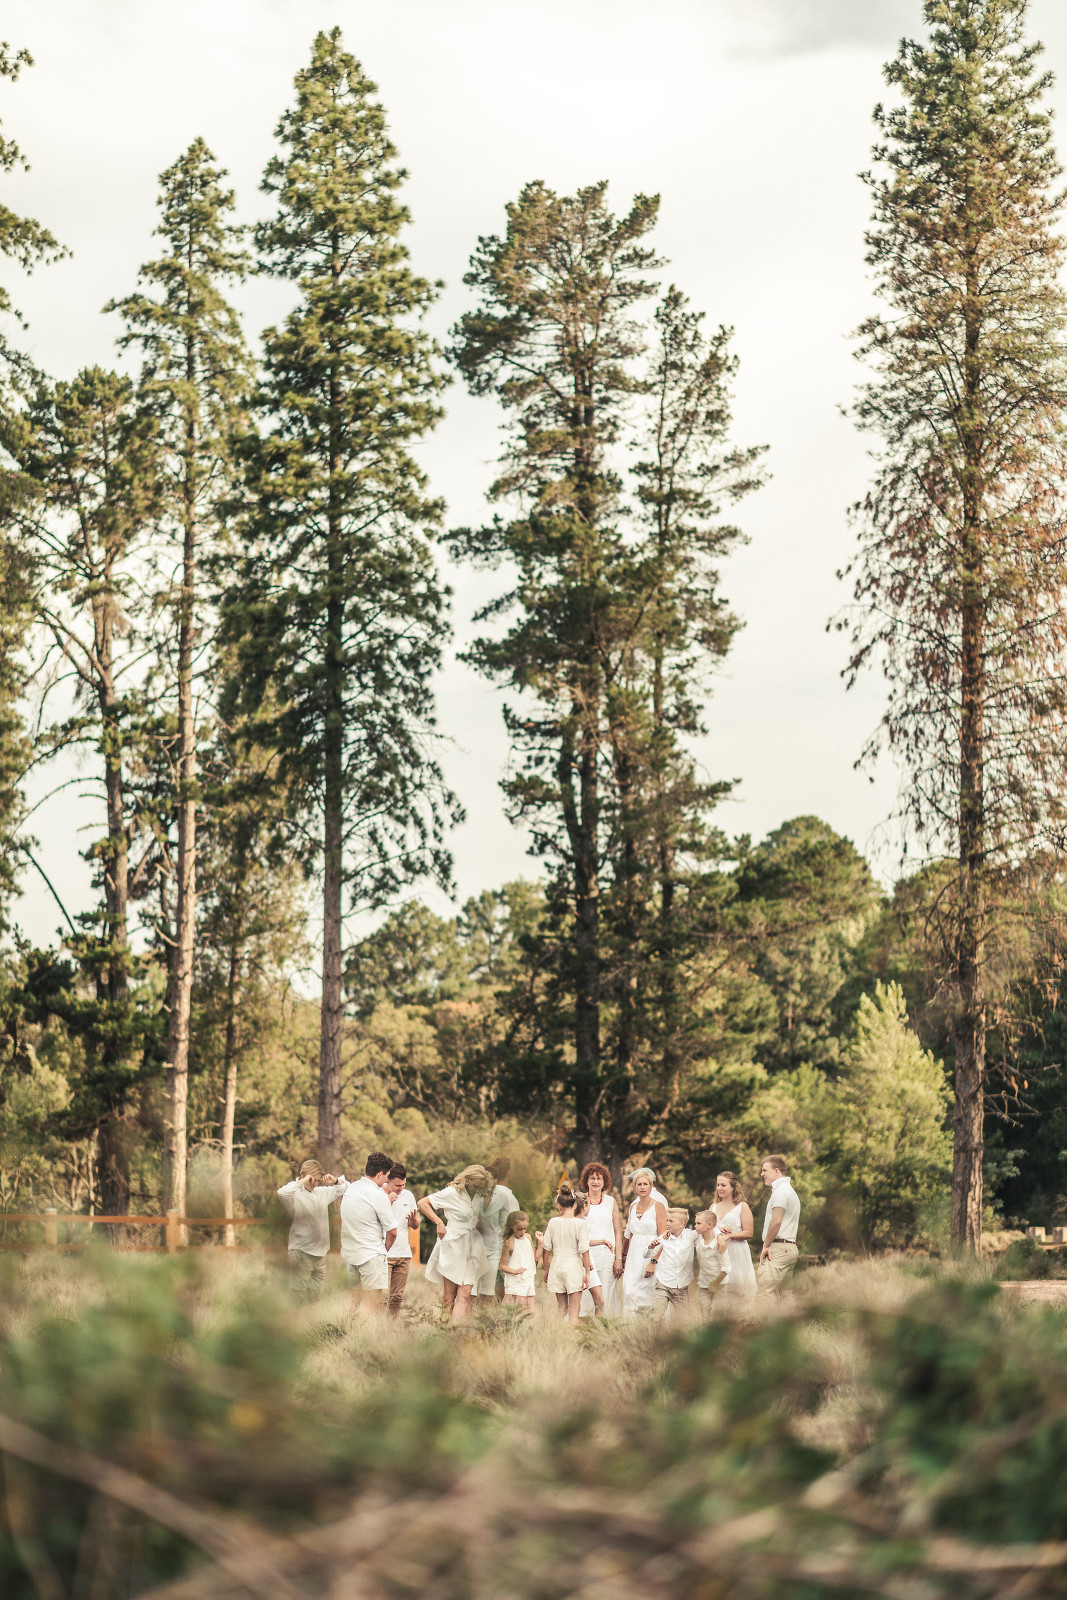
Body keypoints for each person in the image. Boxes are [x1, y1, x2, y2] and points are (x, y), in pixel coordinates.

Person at [418, 1165, 494, 1321]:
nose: (477, 1190)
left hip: (473, 1244)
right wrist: (439, 1222)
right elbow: (422, 1203)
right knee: (449, 1295)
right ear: (468, 1180)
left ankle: (458, 1329)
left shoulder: (479, 1196)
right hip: (453, 1243)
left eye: (480, 1188)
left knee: (466, 1292)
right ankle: (444, 1328)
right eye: (475, 1186)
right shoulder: (451, 1193)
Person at [277, 1159, 348, 1301]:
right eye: (313, 1180)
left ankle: (311, 1314)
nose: (316, 1183)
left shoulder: (321, 1193)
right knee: (298, 1292)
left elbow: (344, 1189)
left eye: (318, 1181)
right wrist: (302, 1181)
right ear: (304, 1176)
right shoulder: (294, 1194)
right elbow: (281, 1193)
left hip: (320, 1252)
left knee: (315, 1293)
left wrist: (335, 1181)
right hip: (301, 1250)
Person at [339, 1151, 397, 1314]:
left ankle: (343, 1325)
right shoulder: (378, 1195)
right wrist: (384, 1251)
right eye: (387, 1176)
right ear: (379, 1174)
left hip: (351, 1253)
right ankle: (363, 1328)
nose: (387, 1180)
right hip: (371, 1254)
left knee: (353, 1296)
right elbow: (392, 1231)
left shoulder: (352, 1188)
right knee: (372, 1300)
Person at [537, 1184, 591, 1325]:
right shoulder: (580, 1224)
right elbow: (584, 1250)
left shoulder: (553, 1222)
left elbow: (546, 1248)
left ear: (558, 1206)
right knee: (574, 1312)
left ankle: (559, 1333)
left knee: (561, 1310)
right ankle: (572, 1332)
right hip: (573, 1266)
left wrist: (546, 1269)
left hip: (557, 1265)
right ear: (575, 1205)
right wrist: (587, 1272)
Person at [620, 1168, 668, 1318]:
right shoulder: (632, 1207)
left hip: (652, 1253)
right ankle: (631, 1324)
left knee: (648, 1292)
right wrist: (623, 1257)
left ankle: (651, 1326)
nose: (642, 1187)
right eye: (639, 1184)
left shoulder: (658, 1206)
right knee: (629, 1291)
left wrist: (653, 1261)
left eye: (645, 1184)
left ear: (651, 1186)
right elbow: (629, 1234)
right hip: (634, 1255)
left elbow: (664, 1237)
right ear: (634, 1187)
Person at [579, 1161, 623, 1315]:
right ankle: (585, 1324)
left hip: (606, 1257)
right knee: (585, 1292)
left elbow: (617, 1232)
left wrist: (618, 1258)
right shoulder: (580, 1201)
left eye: (599, 1178)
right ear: (586, 1181)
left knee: (606, 1292)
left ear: (604, 1182)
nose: (596, 1182)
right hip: (585, 1255)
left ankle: (605, 1325)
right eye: (592, 1178)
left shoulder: (611, 1202)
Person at [476, 1154, 520, 1300]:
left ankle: (489, 1312)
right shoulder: (506, 1196)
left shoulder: (487, 1194)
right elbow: (514, 1224)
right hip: (504, 1246)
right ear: (509, 1173)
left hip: (488, 1245)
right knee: (515, 1288)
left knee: (492, 1288)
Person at [756, 1154, 801, 1295]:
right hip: (790, 1249)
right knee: (784, 1296)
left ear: (776, 1171)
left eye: (765, 1170)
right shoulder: (789, 1191)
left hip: (778, 1250)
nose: (762, 1174)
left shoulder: (780, 1192)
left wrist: (766, 1246)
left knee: (765, 1294)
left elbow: (776, 1221)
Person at [644, 1206, 697, 1321]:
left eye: (671, 1221)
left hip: (682, 1285)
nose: (667, 1223)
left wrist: (720, 1232)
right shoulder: (664, 1237)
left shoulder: (691, 1236)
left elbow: (707, 1229)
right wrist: (651, 1247)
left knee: (684, 1321)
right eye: (667, 1220)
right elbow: (646, 1255)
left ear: (682, 1223)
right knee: (655, 1317)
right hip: (663, 1283)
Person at [712, 1171, 757, 1302]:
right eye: (717, 1185)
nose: (719, 1188)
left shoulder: (742, 1206)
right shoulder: (713, 1207)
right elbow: (706, 1228)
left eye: (723, 1185)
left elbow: (749, 1232)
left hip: (736, 1251)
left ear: (733, 1187)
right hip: (718, 1252)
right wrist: (718, 1229)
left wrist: (729, 1236)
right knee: (718, 1291)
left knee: (738, 1290)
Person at [384, 1162, 419, 1317]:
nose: (401, 1188)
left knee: (397, 1297)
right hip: (385, 1253)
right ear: (388, 1180)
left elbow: (415, 1225)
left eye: (403, 1184)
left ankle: (392, 1326)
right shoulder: (379, 1194)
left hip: (403, 1253)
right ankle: (376, 1326)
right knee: (382, 1296)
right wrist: (387, 1202)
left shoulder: (408, 1195)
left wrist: (414, 1220)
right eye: (398, 1185)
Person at [574, 1193, 606, 1316]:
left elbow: (585, 1242)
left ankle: (598, 1324)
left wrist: (602, 1241)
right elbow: (577, 1245)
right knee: (577, 1300)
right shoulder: (575, 1223)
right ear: (584, 1206)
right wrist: (585, 1262)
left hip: (587, 1259)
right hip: (581, 1261)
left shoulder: (583, 1222)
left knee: (599, 1300)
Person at [498, 1210, 536, 1312]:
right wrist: (514, 1271)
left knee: (531, 1310)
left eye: (525, 1228)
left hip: (528, 1278)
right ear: (511, 1226)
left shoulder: (528, 1237)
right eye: (519, 1229)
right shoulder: (509, 1243)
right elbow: (502, 1266)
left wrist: (540, 1243)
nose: (522, 1232)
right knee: (521, 1309)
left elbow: (535, 1258)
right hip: (517, 1279)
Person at [694, 1209, 725, 1314]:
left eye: (698, 1223)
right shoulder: (698, 1239)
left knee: (718, 1315)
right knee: (704, 1314)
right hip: (703, 1284)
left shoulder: (719, 1244)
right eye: (695, 1223)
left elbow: (726, 1268)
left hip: (719, 1284)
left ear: (709, 1225)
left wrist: (714, 1284)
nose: (695, 1226)